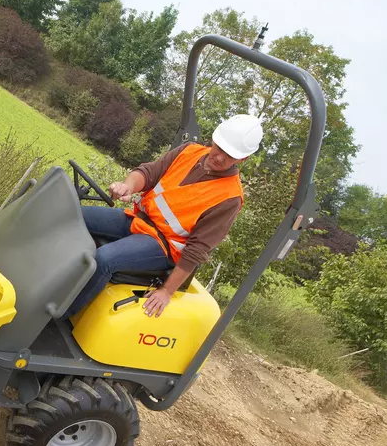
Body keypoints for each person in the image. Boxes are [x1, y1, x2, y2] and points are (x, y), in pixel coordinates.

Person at [64, 114, 263, 319]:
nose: (220, 157)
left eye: (230, 155)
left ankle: (62, 313)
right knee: (71, 214)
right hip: (137, 219)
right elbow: (149, 173)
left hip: (162, 245)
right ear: (215, 140)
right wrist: (128, 186)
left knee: (105, 258)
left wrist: (167, 291)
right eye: (220, 148)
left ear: (243, 159)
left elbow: (197, 250)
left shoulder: (230, 197)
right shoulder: (189, 152)